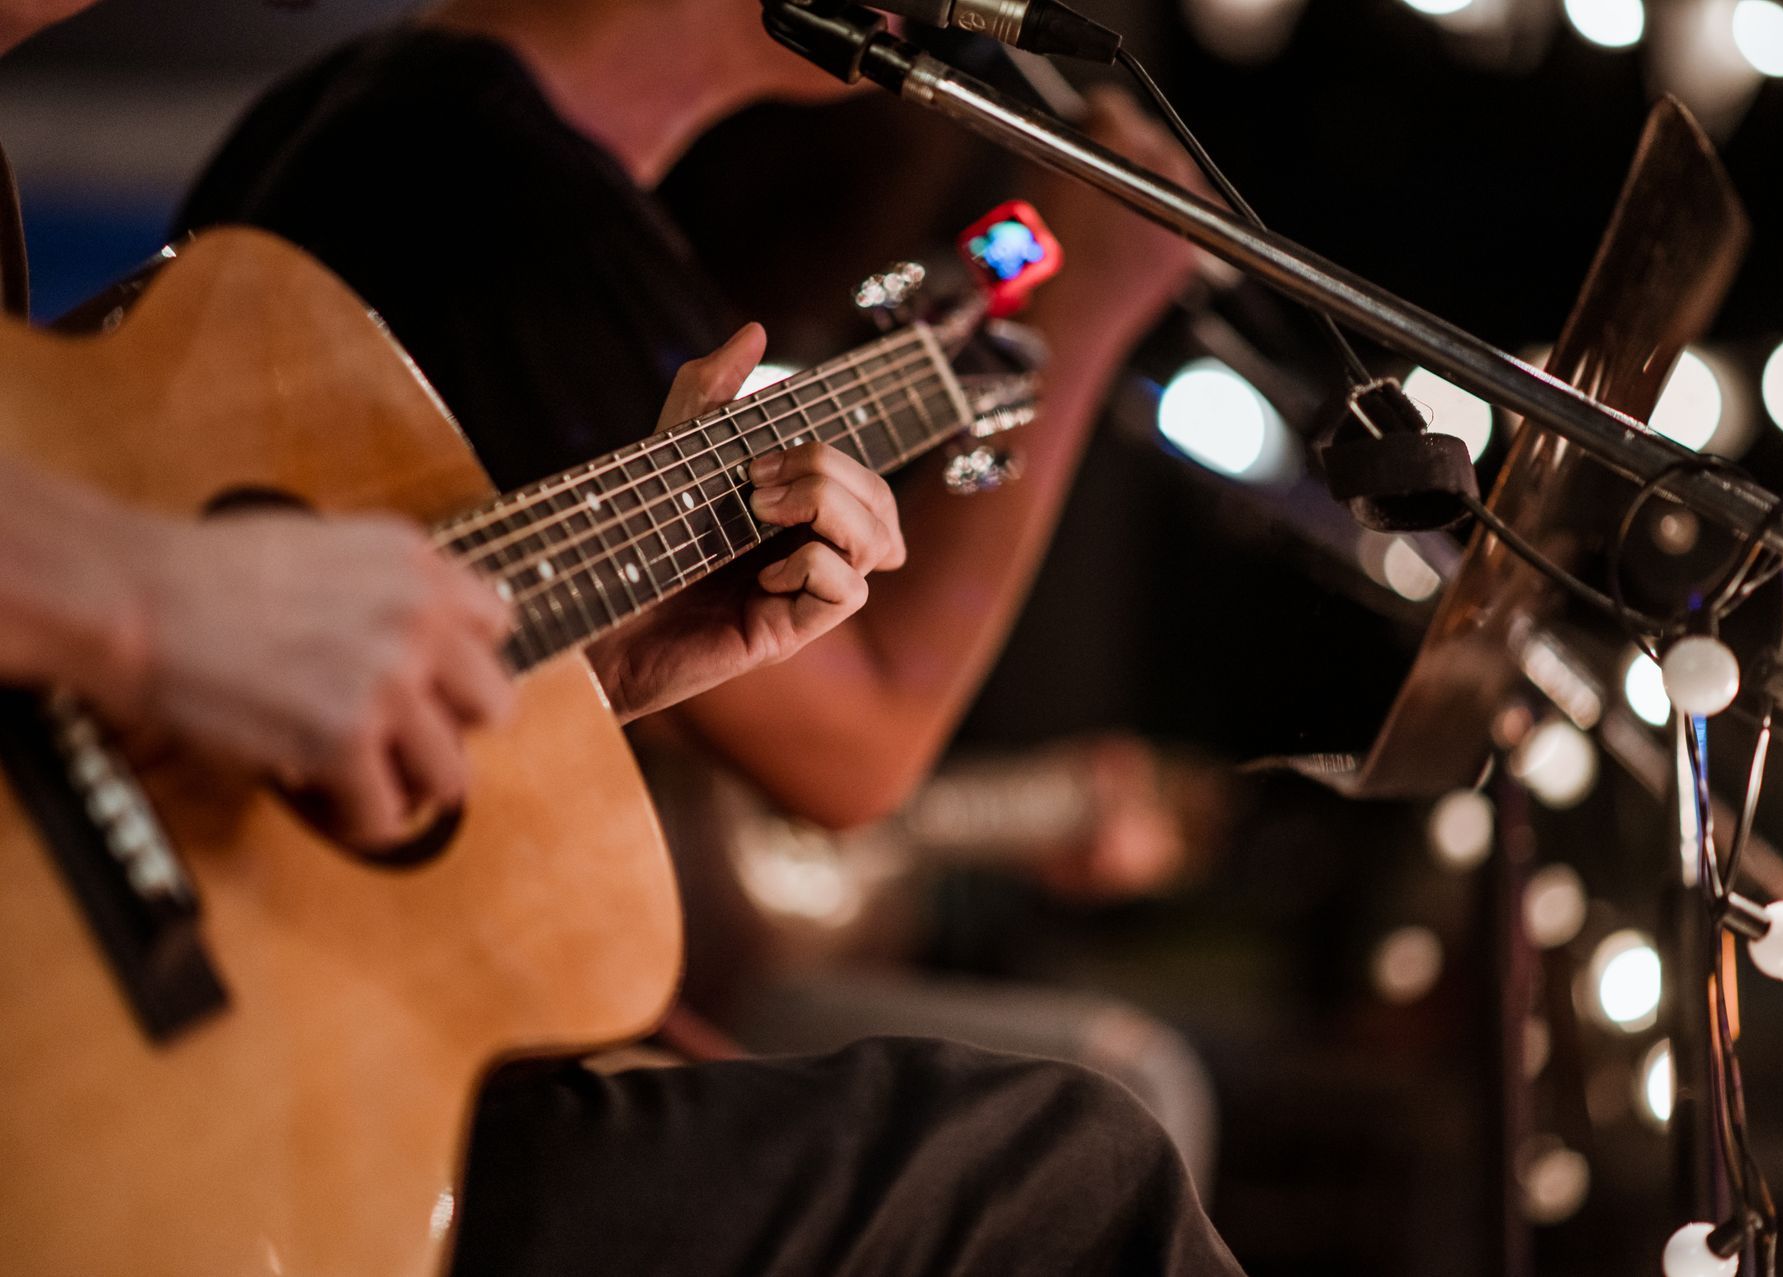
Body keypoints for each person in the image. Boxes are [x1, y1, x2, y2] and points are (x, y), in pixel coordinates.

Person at [165, 3, 1243, 1273]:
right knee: (1074, 1175)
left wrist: (610, 666)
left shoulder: (402, 111)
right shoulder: (493, 194)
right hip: (270, 1066)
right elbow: (859, 751)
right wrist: (1086, 312)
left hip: (299, 1005)